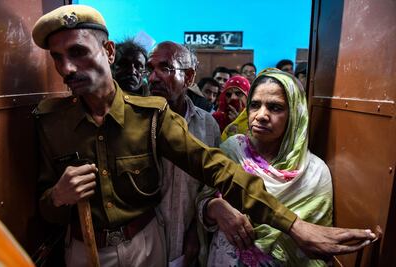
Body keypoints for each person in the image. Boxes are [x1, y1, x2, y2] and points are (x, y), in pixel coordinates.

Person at [31, 4, 375, 267]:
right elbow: (46, 207)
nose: (66, 69)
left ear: (107, 52)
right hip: (81, 249)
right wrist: (58, 197)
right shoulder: (51, 123)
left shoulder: (150, 116)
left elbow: (215, 167)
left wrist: (294, 226)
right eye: (57, 58)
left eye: (77, 52)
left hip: (145, 247)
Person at [200, 68, 333, 266]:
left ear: (295, 113)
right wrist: (215, 208)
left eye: (275, 108)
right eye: (255, 105)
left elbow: (317, 245)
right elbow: (202, 200)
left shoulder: (314, 172)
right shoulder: (232, 150)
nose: (261, 115)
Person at [147, 41, 220, 266]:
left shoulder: (207, 126)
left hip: (189, 249)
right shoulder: (135, 122)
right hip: (143, 248)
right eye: (150, 69)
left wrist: (196, 231)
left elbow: (212, 187)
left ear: (189, 77)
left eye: (165, 68)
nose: (153, 78)